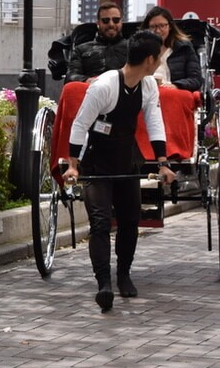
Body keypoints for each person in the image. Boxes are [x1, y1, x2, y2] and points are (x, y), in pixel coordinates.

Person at [62, 30, 177, 313]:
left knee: (129, 220)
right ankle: (104, 283)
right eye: (159, 56)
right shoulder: (104, 86)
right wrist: (73, 166)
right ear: (150, 59)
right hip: (97, 160)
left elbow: (154, 122)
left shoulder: (148, 85)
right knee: (101, 223)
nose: (159, 61)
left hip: (127, 160)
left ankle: (123, 274)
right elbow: (79, 125)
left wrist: (162, 162)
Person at [141, 6, 202, 90]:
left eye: (162, 26)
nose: (157, 31)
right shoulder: (140, 48)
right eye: (153, 27)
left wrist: (176, 85)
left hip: (175, 95)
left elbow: (196, 79)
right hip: (148, 95)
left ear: (170, 26)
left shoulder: (184, 47)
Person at [66, 2, 129, 83]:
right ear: (98, 23)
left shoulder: (133, 48)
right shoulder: (81, 50)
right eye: (105, 20)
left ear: (121, 22)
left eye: (116, 20)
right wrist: (88, 80)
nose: (111, 24)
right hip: (90, 90)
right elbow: (70, 76)